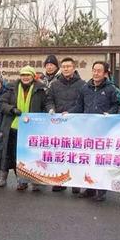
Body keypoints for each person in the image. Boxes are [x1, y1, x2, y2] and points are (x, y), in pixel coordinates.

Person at [70, 61, 120, 201]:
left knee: (101, 160)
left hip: (104, 131)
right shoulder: (85, 88)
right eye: (94, 70)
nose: (96, 73)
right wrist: (67, 114)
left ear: (105, 73)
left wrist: (109, 114)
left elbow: (117, 106)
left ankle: (101, 190)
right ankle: (90, 188)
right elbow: (79, 106)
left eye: (99, 71)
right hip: (88, 130)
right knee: (89, 160)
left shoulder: (112, 89)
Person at [1, 66, 47, 192]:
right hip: (15, 127)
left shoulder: (40, 89)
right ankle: (21, 181)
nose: (25, 77)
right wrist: (12, 109)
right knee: (17, 155)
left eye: (28, 75)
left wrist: (50, 112)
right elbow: (2, 103)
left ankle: (35, 181)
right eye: (23, 75)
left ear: (33, 77)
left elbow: (46, 105)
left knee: (33, 155)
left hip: (33, 128)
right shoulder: (11, 88)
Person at [45, 57, 85, 192]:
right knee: (59, 153)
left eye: (69, 66)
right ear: (60, 69)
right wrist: (51, 109)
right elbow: (49, 100)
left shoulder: (82, 84)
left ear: (74, 68)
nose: (66, 69)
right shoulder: (55, 85)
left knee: (75, 154)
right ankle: (60, 181)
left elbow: (82, 104)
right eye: (64, 67)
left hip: (76, 124)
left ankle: (76, 182)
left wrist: (71, 113)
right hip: (58, 124)